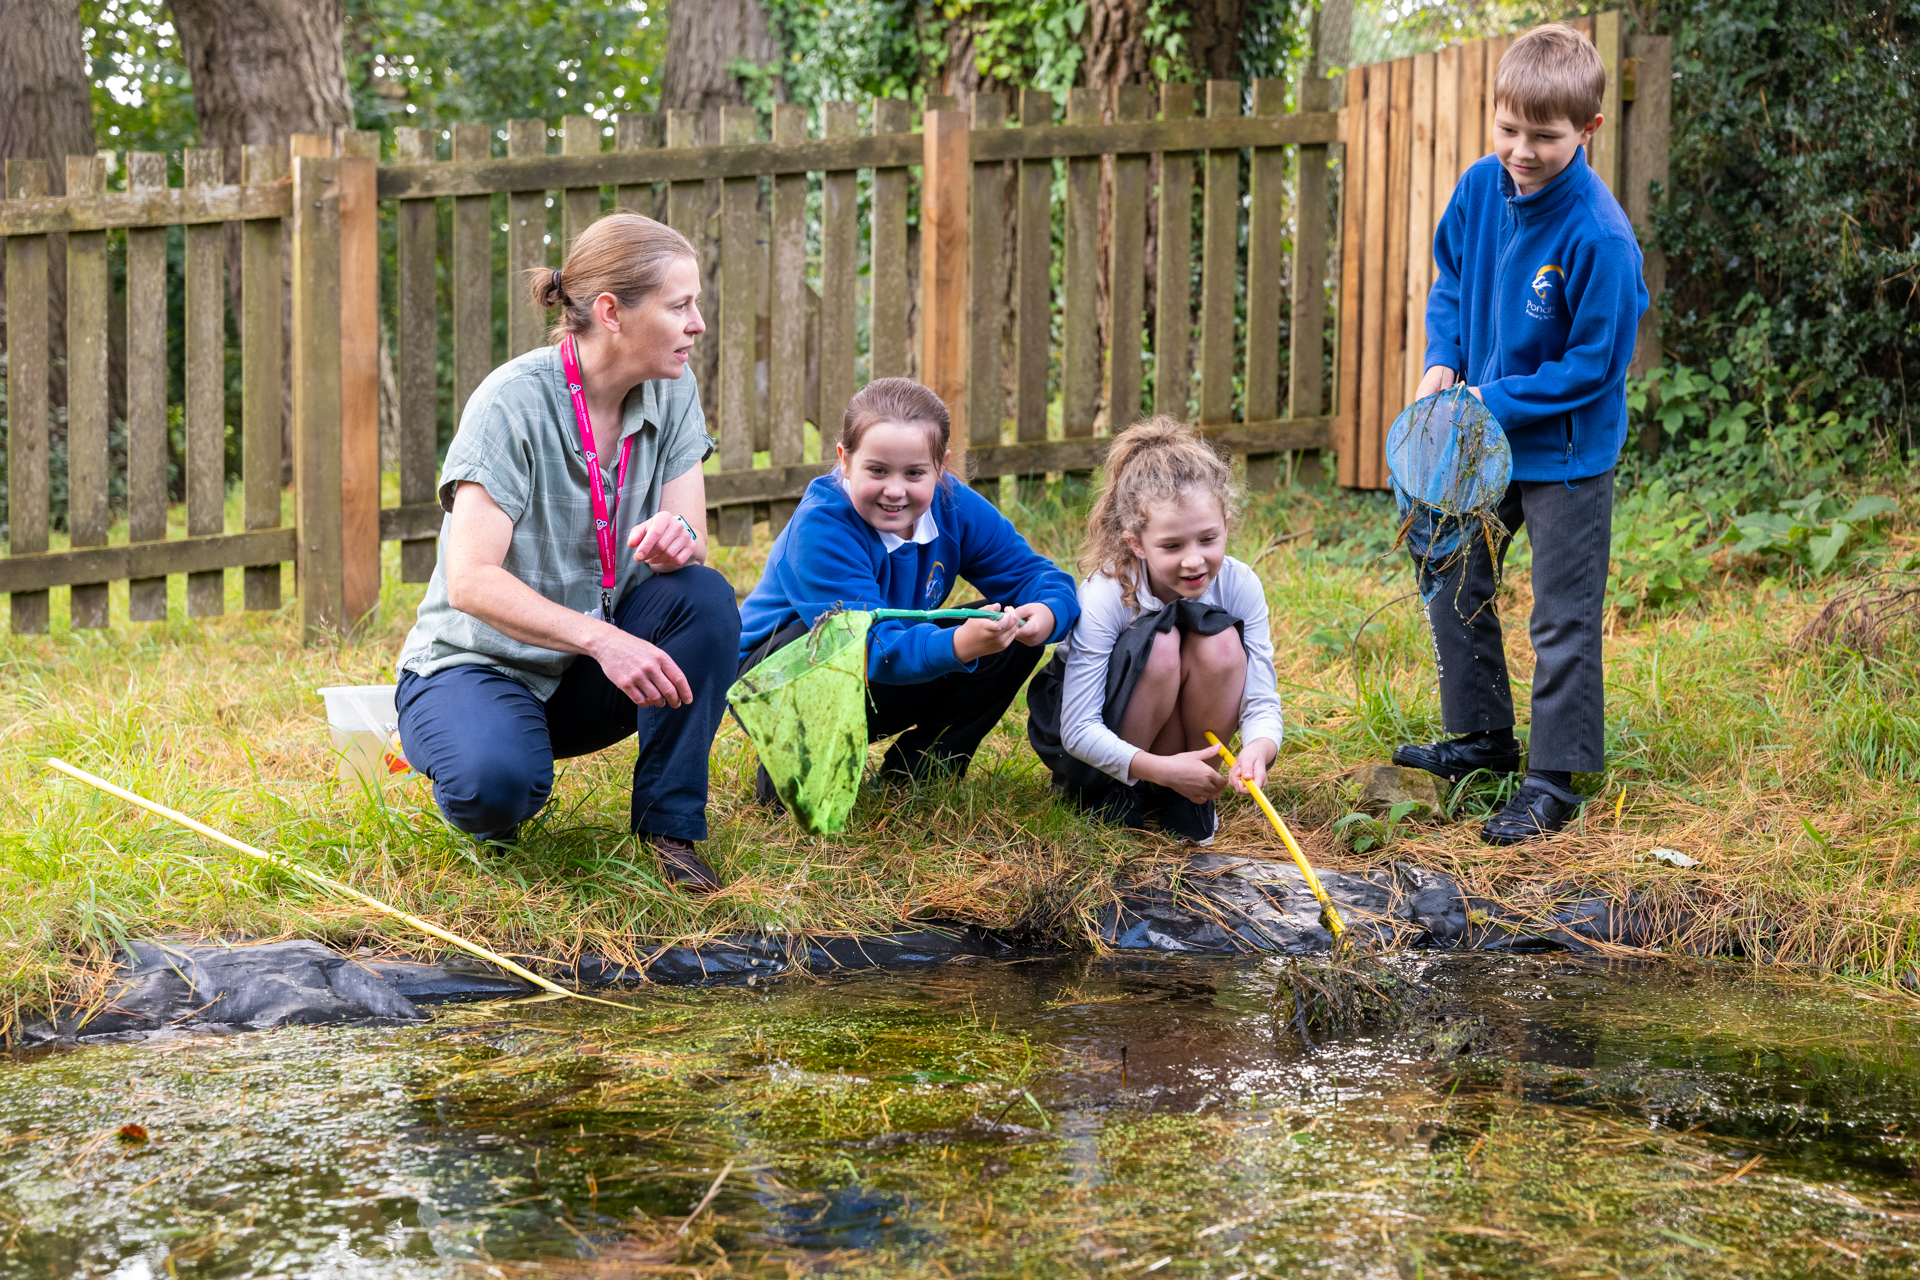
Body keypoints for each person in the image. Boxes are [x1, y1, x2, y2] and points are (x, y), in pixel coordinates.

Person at [394, 213, 741, 891]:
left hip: (588, 672)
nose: (698, 323)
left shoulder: (675, 391)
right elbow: (470, 582)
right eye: (681, 306)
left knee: (704, 600)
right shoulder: (511, 403)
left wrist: (680, 541)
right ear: (611, 311)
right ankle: (465, 750)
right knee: (498, 789)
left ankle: (671, 832)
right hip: (479, 667)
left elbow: (690, 537)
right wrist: (606, 641)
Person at [1396, 23, 1649, 845]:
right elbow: (1451, 281)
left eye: (1545, 137)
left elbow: (1593, 368)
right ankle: (1482, 739)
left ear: (1588, 132)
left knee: (1561, 616)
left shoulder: (1600, 237)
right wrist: (1443, 359)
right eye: (1509, 130)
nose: (1523, 152)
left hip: (1564, 452)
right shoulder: (1479, 189)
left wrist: (1490, 400)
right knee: (1446, 557)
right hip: (1478, 430)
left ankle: (1552, 780)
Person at [736, 378, 1079, 798]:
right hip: (779, 675)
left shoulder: (953, 505)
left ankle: (922, 772)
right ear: (845, 461)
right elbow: (869, 647)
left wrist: (1045, 614)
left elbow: (1039, 578)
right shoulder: (821, 529)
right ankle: (795, 773)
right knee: (821, 640)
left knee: (1010, 629)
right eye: (877, 470)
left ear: (941, 467)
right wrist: (958, 644)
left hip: (885, 655)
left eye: (914, 472)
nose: (894, 491)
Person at [1026, 417, 1284, 844]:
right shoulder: (1106, 593)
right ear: (1136, 543)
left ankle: (1190, 793)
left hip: (1177, 733)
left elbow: (1261, 697)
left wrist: (1259, 749)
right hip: (1091, 747)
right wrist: (1157, 766)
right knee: (1159, 644)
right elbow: (1076, 728)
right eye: (1171, 546)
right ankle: (1118, 793)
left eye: (1208, 539)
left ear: (1226, 521)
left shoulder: (1240, 584)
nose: (1194, 561)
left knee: (1220, 642)